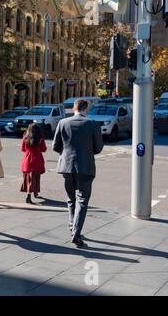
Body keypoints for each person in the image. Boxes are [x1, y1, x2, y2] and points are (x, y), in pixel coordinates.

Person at [52, 99, 104, 248]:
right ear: (85, 109)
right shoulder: (93, 124)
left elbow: (55, 146)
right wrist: (87, 152)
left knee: (70, 199)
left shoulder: (63, 123)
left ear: (74, 109)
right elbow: (98, 147)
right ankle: (76, 233)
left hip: (66, 166)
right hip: (85, 167)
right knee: (82, 200)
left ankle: (72, 229)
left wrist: (67, 154)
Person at [20, 123, 47, 204]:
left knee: (28, 178)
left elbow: (22, 149)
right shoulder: (40, 138)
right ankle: (31, 194)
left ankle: (32, 193)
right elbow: (44, 149)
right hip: (37, 159)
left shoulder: (25, 136)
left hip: (27, 159)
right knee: (35, 177)